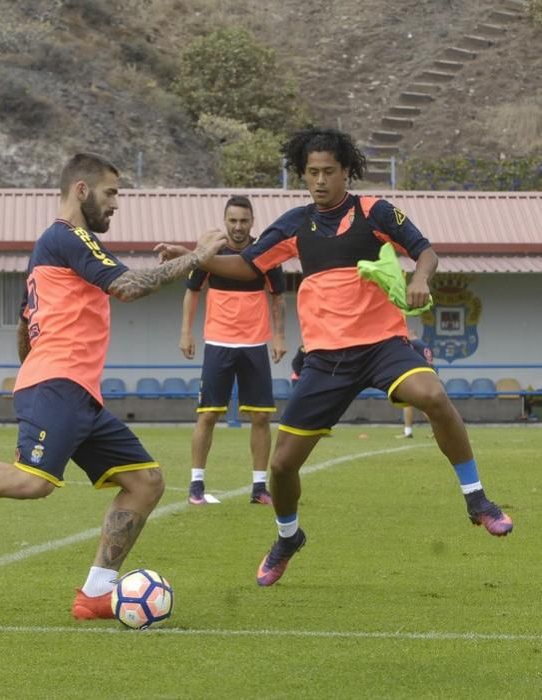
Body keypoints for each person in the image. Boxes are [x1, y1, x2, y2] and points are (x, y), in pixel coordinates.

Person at [0, 153, 227, 619]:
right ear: (81, 190)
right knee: (33, 481)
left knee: (145, 482)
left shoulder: (53, 247)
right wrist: (199, 258)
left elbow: (24, 324)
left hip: (72, 389)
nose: (116, 204)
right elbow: (130, 287)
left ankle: (96, 593)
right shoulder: (68, 236)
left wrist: (33, 376)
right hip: (59, 383)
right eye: (111, 193)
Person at [157, 126, 513, 587]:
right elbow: (247, 266)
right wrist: (194, 259)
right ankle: (288, 537)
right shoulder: (293, 224)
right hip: (325, 359)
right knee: (283, 466)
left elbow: (425, 252)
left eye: (328, 171)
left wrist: (420, 277)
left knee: (432, 395)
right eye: (311, 173)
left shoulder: (376, 212)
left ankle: (477, 500)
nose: (319, 180)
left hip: (383, 345)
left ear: (347, 171)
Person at [179, 195, 287, 506]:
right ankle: (196, 485)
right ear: (225, 221)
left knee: (261, 418)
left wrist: (279, 337)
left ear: (252, 222)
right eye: (232, 220)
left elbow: (278, 297)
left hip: (255, 344)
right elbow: (192, 292)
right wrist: (186, 333)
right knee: (209, 414)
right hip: (218, 343)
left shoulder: (264, 253)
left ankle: (259, 487)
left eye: (243, 220)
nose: (238, 226)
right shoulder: (211, 253)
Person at [397, 329, 434, 438]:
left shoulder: (412, 344)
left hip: (418, 376)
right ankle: (408, 431)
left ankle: (408, 431)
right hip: (428, 374)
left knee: (415, 404)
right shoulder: (424, 345)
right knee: (413, 404)